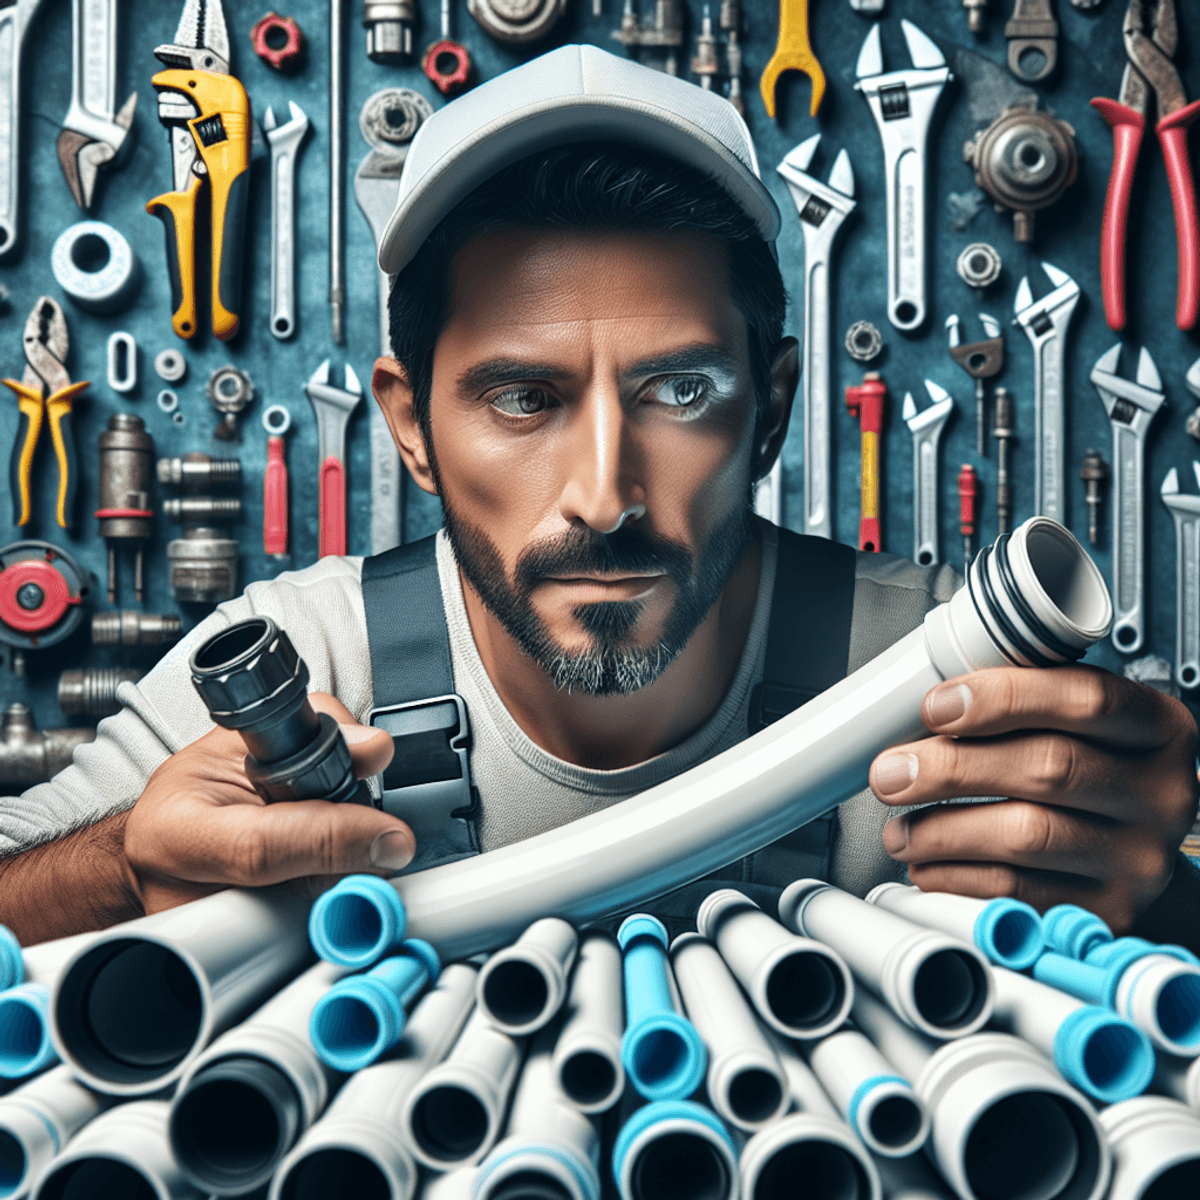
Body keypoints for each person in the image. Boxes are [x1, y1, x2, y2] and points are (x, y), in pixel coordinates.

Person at [0, 45, 1196, 948]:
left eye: (680, 390)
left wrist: (1158, 889)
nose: (604, 494)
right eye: (523, 399)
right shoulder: (303, 661)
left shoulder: (954, 686)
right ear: (412, 426)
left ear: (770, 409)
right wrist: (120, 868)